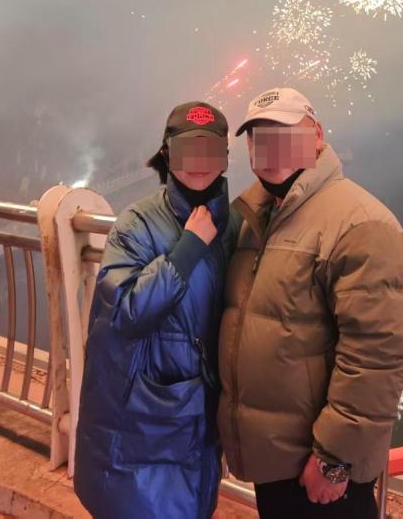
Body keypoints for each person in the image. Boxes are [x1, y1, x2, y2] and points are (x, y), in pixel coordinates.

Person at [218, 87, 403, 519]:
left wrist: (333, 459)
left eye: (284, 133)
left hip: (320, 469)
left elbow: (378, 357)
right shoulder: (253, 220)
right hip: (275, 457)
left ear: (317, 135)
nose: (269, 147)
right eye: (258, 136)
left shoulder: (360, 223)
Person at [74, 101, 238, 519]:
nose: (199, 163)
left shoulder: (235, 226)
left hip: (201, 419)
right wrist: (187, 250)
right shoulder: (136, 224)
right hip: (147, 418)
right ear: (167, 154)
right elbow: (125, 312)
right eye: (187, 150)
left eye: (209, 150)